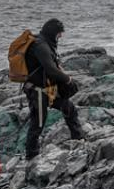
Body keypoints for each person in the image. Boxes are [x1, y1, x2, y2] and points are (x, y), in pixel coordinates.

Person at [23, 18, 85, 159]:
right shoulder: (40, 46)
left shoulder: (45, 43)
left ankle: (79, 139)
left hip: (48, 90)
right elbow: (51, 69)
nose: (61, 36)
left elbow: (52, 67)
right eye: (59, 33)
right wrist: (68, 80)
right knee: (38, 123)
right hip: (37, 91)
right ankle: (31, 156)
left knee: (69, 108)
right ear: (52, 33)